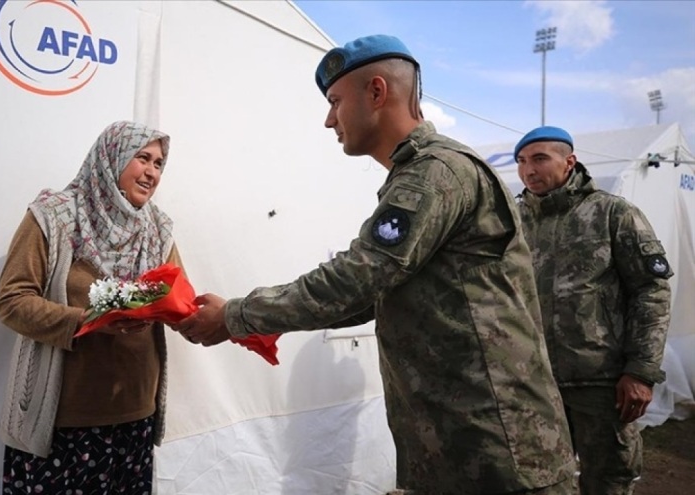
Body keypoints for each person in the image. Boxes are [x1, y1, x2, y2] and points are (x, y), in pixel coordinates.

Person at [175, 34, 576, 494]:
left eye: (335, 101)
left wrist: (235, 316)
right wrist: (259, 321)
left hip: (496, 448)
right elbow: (375, 292)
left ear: (377, 92)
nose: (329, 120)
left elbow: (358, 276)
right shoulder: (422, 173)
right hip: (461, 441)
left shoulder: (435, 173)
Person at [0, 120, 181, 494]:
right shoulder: (54, 217)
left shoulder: (157, 229)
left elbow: (174, 295)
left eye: (159, 163)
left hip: (135, 415)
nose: (151, 172)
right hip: (63, 421)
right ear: (111, 158)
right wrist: (86, 321)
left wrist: (211, 316)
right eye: (142, 158)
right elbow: (12, 301)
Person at [514, 126, 673, 494]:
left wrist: (641, 371)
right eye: (521, 162)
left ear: (569, 162)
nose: (528, 171)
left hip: (600, 383)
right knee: (537, 480)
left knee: (608, 481)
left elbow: (651, 292)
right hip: (534, 381)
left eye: (540, 159)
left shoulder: (612, 213)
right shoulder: (514, 221)